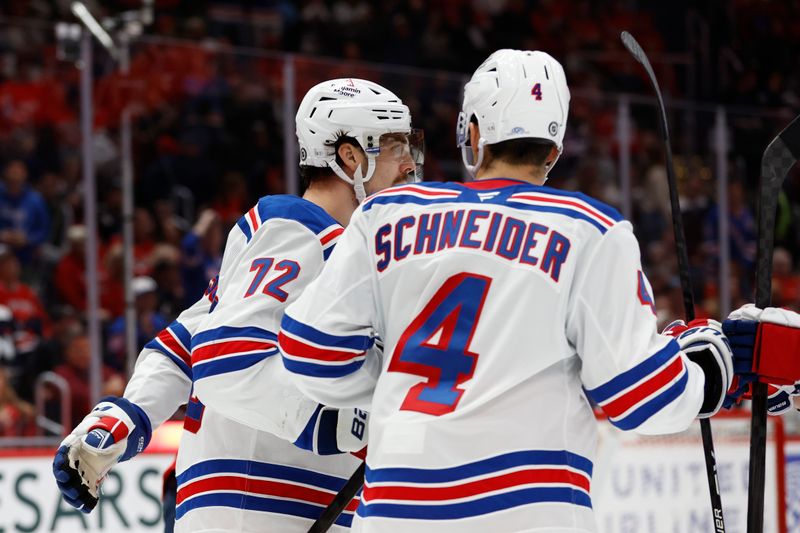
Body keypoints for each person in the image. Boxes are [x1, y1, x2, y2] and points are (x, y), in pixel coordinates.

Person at [276, 50, 799, 532]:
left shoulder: (384, 215)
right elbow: (639, 397)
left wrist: (392, 389)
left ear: (473, 134)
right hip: (527, 511)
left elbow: (309, 355)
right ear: (554, 147)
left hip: (396, 509)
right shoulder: (590, 230)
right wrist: (717, 367)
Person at [52, 78, 422, 533]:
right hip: (258, 504)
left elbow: (187, 340)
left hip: (298, 505)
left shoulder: (338, 246)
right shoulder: (302, 231)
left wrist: (130, 414)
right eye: (393, 147)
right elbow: (225, 357)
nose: (408, 164)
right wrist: (341, 425)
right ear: (350, 156)